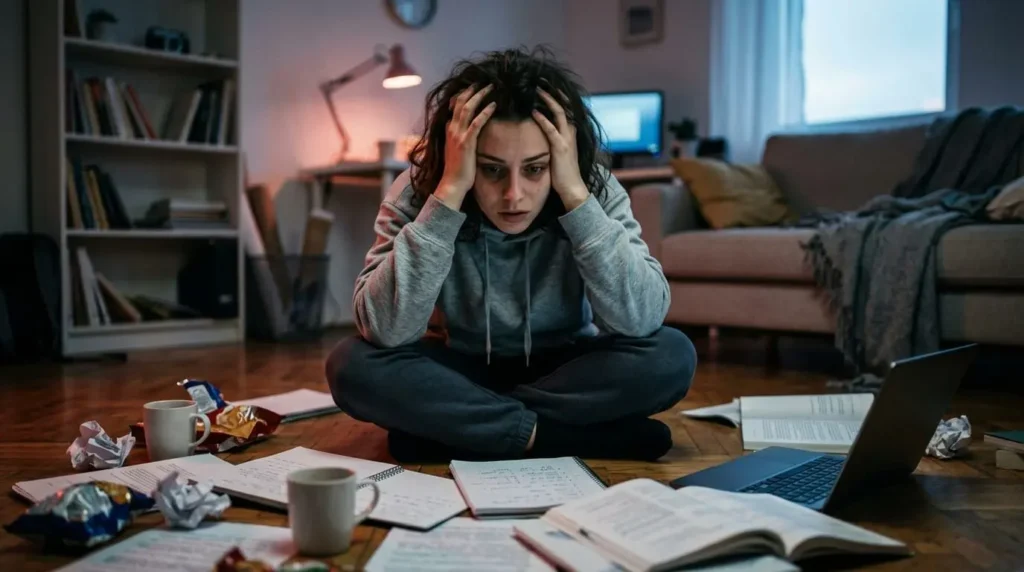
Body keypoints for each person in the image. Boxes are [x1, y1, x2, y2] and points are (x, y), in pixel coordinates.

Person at [325, 46, 696, 462]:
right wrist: (447, 198)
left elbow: (641, 318)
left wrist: (576, 199)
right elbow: (385, 330)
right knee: (350, 366)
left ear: (561, 158)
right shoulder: (420, 193)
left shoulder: (593, 188)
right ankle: (565, 438)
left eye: (535, 169)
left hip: (563, 372)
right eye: (491, 169)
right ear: (459, 157)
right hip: (460, 366)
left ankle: (462, 430)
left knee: (672, 355)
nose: (514, 195)